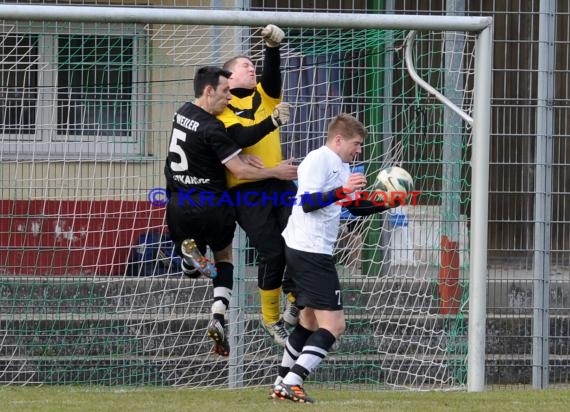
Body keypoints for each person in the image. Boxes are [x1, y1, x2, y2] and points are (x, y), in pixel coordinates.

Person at [164, 66, 297, 357]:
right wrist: (273, 169)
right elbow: (237, 168)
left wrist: (237, 152)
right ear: (209, 91)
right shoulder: (214, 128)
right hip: (214, 205)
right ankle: (219, 312)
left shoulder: (182, 112)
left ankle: (194, 272)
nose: (228, 98)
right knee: (225, 257)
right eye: (224, 92)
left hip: (177, 204)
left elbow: (219, 148)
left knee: (194, 257)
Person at [272, 113, 395, 403]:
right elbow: (309, 202)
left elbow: (352, 206)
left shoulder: (341, 166)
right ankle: (293, 381)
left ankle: (281, 382)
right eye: (356, 143)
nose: (359, 150)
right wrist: (343, 189)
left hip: (309, 249)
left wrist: (388, 201)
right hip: (309, 251)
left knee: (309, 323)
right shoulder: (319, 159)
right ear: (338, 139)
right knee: (335, 326)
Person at [217, 24, 298, 347]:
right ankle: (270, 319)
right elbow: (241, 138)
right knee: (272, 252)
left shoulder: (264, 97)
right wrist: (273, 122)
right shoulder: (222, 110)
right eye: (244, 66)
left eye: (253, 65)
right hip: (247, 191)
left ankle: (295, 297)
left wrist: (272, 49)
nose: (251, 69)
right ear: (229, 78)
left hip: (280, 184)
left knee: (298, 242)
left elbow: (273, 77)